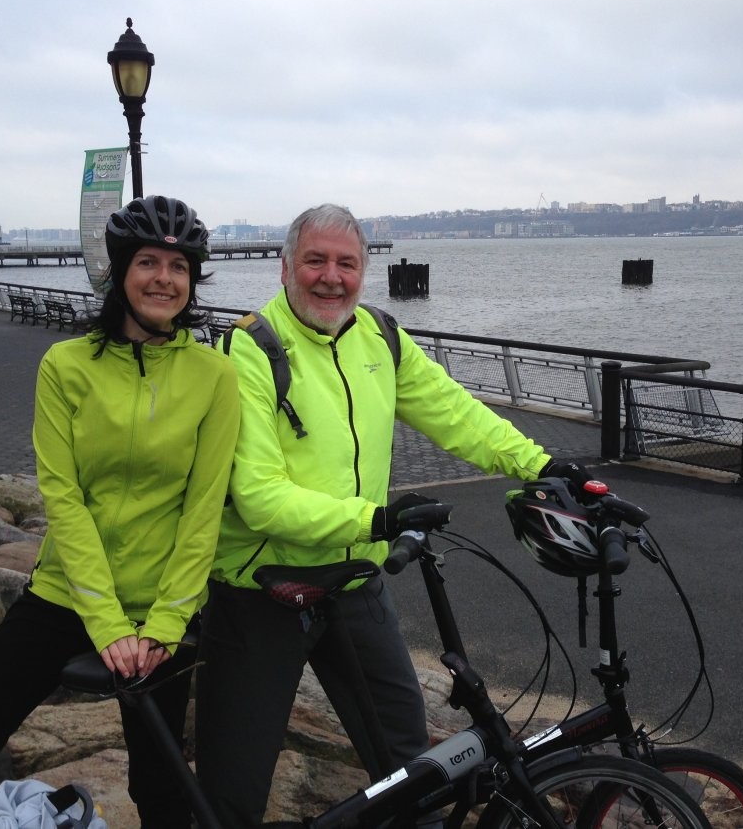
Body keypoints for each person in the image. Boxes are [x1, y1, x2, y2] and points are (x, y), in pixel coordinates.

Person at [194, 202, 589, 827]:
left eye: (346, 263)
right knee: (231, 788)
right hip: (260, 591)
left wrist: (538, 465)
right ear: (284, 268)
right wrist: (376, 521)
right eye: (315, 260)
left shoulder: (380, 336)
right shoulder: (249, 349)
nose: (331, 277)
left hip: (353, 581)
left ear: (365, 270)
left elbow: (456, 414)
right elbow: (261, 496)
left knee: (414, 776)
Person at [0, 196, 240, 829]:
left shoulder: (214, 377)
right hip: (67, 596)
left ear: (193, 280)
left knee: (162, 794)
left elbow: (204, 511)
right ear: (119, 272)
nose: (164, 279)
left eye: (179, 266)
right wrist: (107, 622)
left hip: (160, 612)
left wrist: (165, 624)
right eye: (148, 262)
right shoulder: (65, 366)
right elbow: (64, 500)